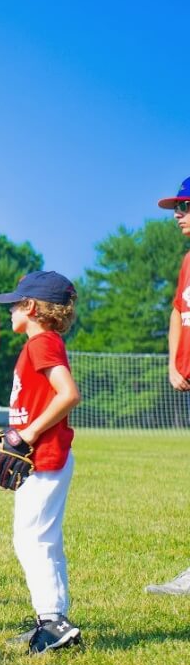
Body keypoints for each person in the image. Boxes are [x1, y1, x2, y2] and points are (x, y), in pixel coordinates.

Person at [0, 272, 85, 651]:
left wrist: (27, 435)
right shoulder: (42, 343)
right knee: (42, 540)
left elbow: (68, 394)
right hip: (44, 457)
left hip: (43, 456)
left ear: (31, 307)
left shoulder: (42, 343)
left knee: (33, 540)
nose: (10, 309)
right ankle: (51, 618)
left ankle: (53, 622)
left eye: (15, 302)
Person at [148, 178, 190, 595]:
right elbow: (179, 311)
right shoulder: (188, 262)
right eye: (176, 207)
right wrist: (173, 363)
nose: (178, 214)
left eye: (186, 206)